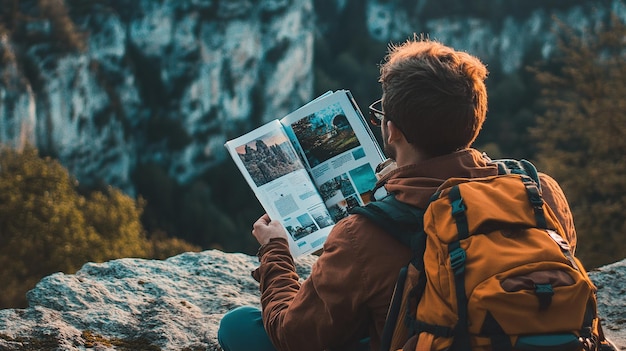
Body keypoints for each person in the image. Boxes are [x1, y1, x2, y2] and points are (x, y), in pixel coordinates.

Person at [217, 36, 577, 351]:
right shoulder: (537, 188)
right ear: (476, 119)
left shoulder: (363, 234)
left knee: (237, 326)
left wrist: (275, 251)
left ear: (391, 131)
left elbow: (292, 335)